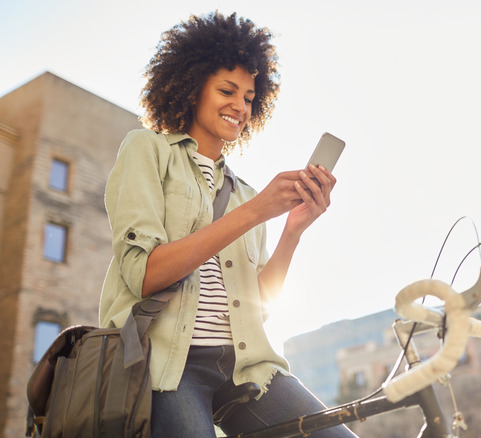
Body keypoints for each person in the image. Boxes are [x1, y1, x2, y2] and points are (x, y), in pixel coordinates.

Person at [99, 11, 356, 437]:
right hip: (167, 364)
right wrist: (256, 213)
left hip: (247, 368)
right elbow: (143, 275)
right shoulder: (146, 149)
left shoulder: (246, 194)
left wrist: (292, 229)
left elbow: (258, 307)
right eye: (227, 90)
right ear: (191, 84)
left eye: (250, 97)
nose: (240, 106)